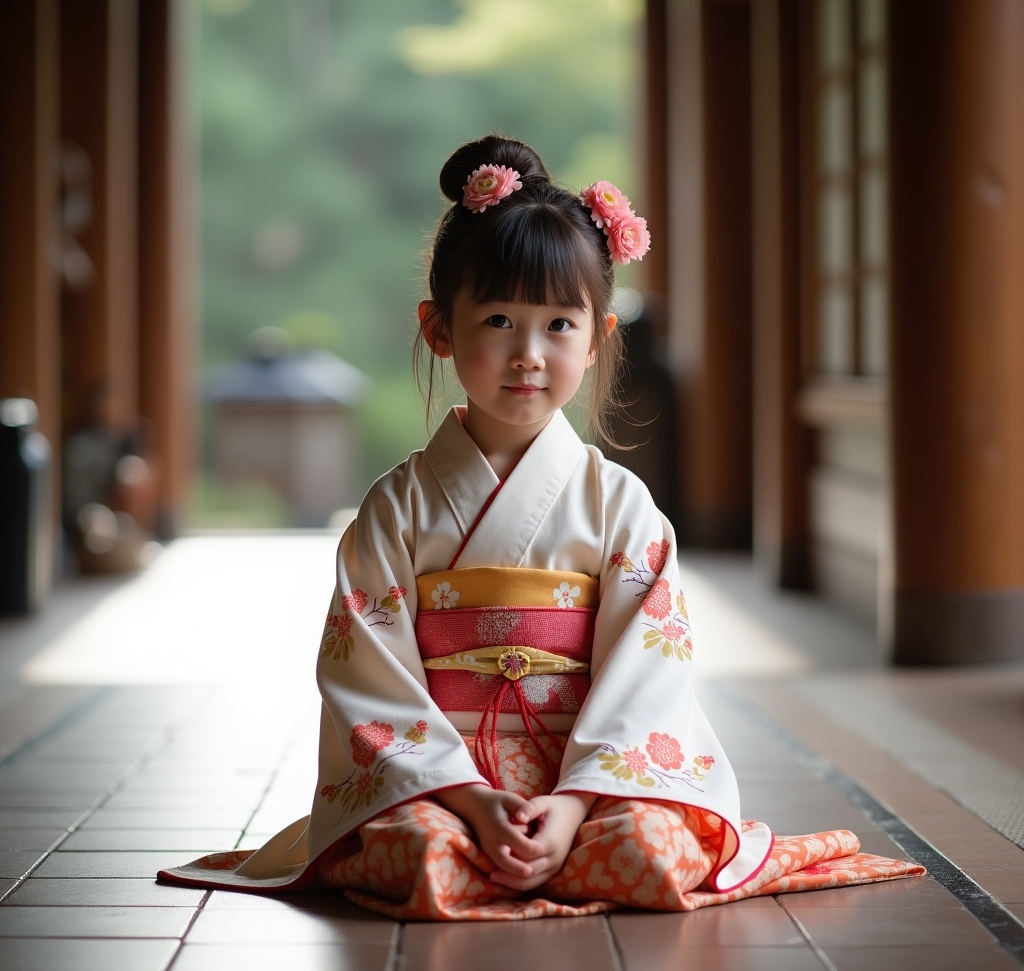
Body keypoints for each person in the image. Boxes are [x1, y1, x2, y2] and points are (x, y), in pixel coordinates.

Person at [159, 135, 922, 919]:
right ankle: (493, 842)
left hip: (589, 783)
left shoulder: (621, 504)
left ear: (598, 340)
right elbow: (370, 672)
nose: (529, 353)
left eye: (560, 324)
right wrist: (473, 801)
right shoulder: (396, 508)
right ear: (439, 330)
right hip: (449, 784)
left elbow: (645, 674)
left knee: (644, 849)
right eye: (498, 319)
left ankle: (555, 844)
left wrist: (570, 804)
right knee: (419, 850)